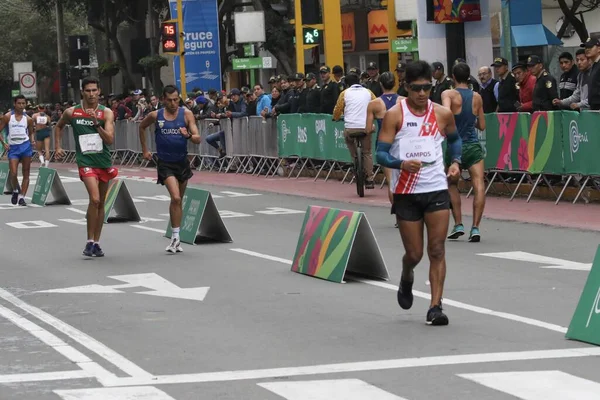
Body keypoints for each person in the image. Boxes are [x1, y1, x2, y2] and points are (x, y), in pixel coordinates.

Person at [376, 60, 462, 326]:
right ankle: (407, 273)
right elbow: (379, 153)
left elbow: (455, 139)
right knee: (415, 254)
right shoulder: (394, 114)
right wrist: (400, 163)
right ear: (406, 87)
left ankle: (436, 306)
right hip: (406, 192)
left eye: (426, 88)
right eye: (416, 89)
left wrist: (456, 162)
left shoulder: (441, 114)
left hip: (436, 188)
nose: (422, 94)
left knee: (437, 249)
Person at [54, 77, 117, 257]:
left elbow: (110, 140)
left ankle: (96, 242)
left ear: (99, 92)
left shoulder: (106, 113)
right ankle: (89, 240)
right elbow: (58, 127)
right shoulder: (72, 112)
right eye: (88, 91)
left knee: (101, 203)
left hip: (103, 162)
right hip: (86, 162)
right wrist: (58, 146)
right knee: (95, 199)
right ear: (82, 92)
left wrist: (96, 124)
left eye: (94, 91)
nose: (91, 94)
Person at [138, 85, 201, 254]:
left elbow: (197, 138)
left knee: (179, 200)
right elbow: (142, 127)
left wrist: (187, 135)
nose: (173, 103)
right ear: (163, 99)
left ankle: (176, 235)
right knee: (175, 197)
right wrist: (145, 149)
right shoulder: (155, 115)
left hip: (182, 162)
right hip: (165, 163)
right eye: (170, 100)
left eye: (176, 99)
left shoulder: (186, 114)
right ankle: (174, 237)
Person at [442, 63, 486, 242]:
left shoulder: (448, 94)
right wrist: (469, 120)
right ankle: (475, 228)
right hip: (473, 145)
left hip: (454, 145)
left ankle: (458, 223)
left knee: (452, 184)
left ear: (453, 76)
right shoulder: (477, 97)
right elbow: (482, 125)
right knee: (479, 184)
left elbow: (445, 114)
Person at [332, 72, 376, 189]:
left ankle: (355, 160)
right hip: (366, 127)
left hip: (350, 128)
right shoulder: (368, 92)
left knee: (349, 140)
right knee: (367, 152)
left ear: (346, 84)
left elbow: (338, 109)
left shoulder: (344, 94)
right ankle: (370, 178)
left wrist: (335, 118)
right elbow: (377, 104)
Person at [366, 72, 400, 221]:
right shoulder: (403, 101)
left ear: (380, 85)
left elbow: (368, 129)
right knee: (403, 179)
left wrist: (374, 128)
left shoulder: (374, 104)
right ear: (395, 83)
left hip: (383, 144)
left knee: (391, 180)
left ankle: (399, 215)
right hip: (401, 143)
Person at [0, 95, 35, 206]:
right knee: (13, 173)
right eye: (19, 103)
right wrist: (4, 143)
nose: (21, 105)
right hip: (13, 148)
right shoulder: (8, 117)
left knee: (26, 173)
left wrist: (32, 141)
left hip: (25, 146)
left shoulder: (28, 119)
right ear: (14, 104)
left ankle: (22, 197)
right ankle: (15, 190)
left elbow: (31, 132)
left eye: (23, 103)